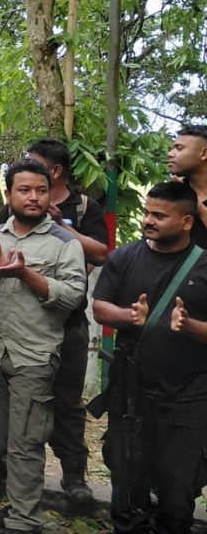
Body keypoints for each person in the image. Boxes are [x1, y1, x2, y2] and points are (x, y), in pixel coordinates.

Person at [0, 137, 109, 503]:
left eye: (40, 183)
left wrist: (58, 227)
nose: (32, 194)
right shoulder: (8, 216)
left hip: (66, 327)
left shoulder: (84, 207)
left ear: (55, 173)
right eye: (23, 188)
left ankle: (73, 475)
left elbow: (100, 253)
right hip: (13, 330)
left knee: (66, 403)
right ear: (10, 193)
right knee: (11, 409)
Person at [92, 182, 207, 534]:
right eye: (146, 213)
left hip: (187, 396)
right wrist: (130, 316)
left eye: (159, 215)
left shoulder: (204, 266)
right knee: (128, 482)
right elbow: (100, 308)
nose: (148, 221)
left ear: (186, 222)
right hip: (131, 391)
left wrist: (189, 326)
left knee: (178, 487)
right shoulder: (124, 257)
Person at [167, 124, 207, 247]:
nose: (170, 154)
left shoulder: (186, 195)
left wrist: (195, 202)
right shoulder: (173, 193)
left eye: (179, 148)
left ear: (204, 153)